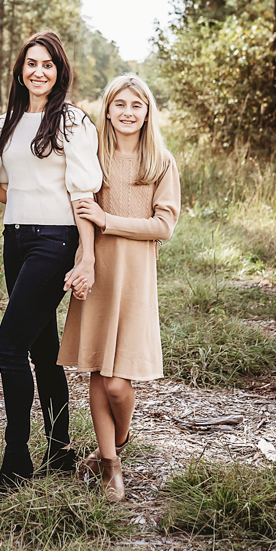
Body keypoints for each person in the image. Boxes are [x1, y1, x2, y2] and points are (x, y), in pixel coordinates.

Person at [0, 31, 102, 492]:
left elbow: (83, 193)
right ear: (20, 69)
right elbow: (4, 189)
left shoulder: (72, 122)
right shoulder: (6, 123)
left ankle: (17, 460)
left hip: (55, 242)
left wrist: (87, 255)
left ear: (60, 72)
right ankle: (60, 449)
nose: (39, 71)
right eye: (31, 63)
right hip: (15, 239)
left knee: (9, 346)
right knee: (41, 349)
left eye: (48, 65)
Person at [57, 74, 180, 502]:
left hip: (136, 278)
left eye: (137, 106)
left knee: (118, 384)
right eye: (120, 105)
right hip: (99, 271)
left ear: (147, 113)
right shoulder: (96, 158)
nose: (128, 113)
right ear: (107, 109)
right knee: (96, 368)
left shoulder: (160, 162)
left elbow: (163, 226)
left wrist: (110, 220)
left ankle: (120, 440)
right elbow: (80, 206)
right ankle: (110, 465)